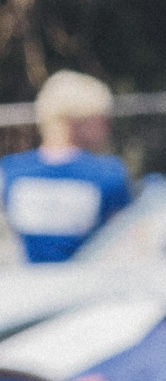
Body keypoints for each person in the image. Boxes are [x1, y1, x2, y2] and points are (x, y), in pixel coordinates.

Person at [6, 72, 134, 264]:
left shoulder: (10, 172)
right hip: (88, 286)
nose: (108, 128)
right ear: (77, 120)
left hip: (28, 286)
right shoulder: (108, 174)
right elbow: (129, 242)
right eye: (102, 119)